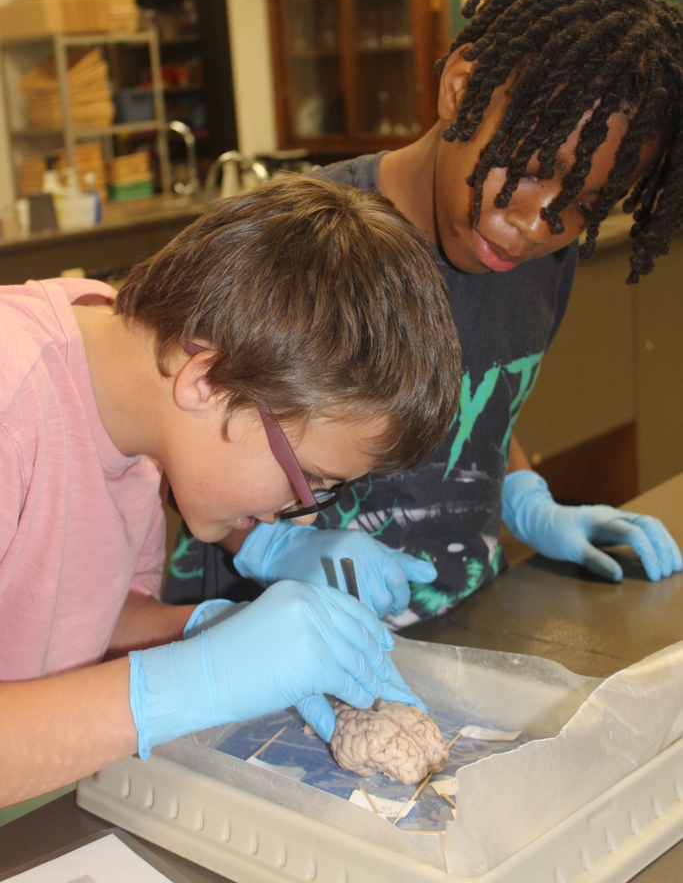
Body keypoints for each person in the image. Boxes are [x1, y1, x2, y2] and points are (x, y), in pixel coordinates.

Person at [165, 0, 683, 626]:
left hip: (456, 613)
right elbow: (179, 432)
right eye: (525, 165)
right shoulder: (297, 243)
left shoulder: (539, 261)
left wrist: (525, 495)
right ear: (461, 88)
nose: (533, 225)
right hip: (270, 630)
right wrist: (270, 543)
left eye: (583, 205)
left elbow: (484, 400)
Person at [0, 177, 462, 807]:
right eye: (311, 481)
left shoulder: (140, 398)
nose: (300, 522)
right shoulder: (12, 400)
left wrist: (211, 631)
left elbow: (87, 625)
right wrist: (183, 685)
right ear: (209, 381)